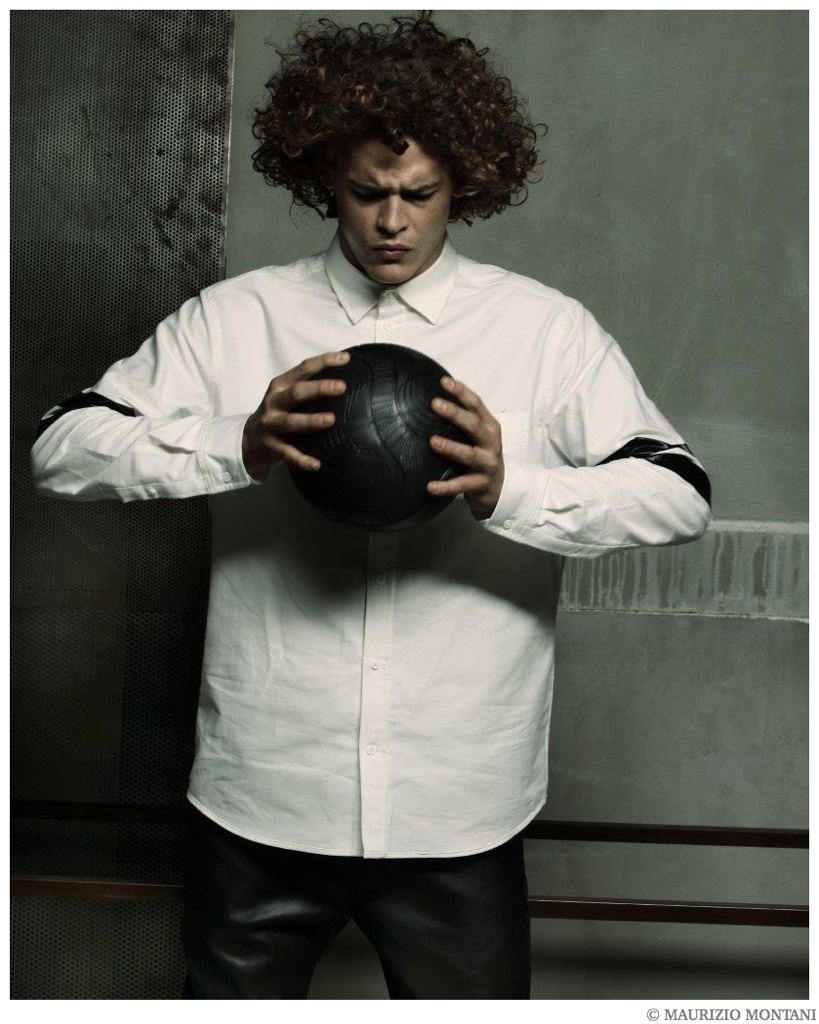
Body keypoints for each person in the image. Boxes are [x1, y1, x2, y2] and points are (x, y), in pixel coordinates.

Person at [31, 12, 712, 1000]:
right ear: (325, 180)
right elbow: (60, 448)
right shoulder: (237, 319)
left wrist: (511, 486)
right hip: (262, 798)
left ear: (461, 185)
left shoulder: (544, 331)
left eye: (419, 194)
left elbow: (678, 493)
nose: (392, 220)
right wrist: (238, 441)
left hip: (459, 810)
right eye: (366, 192)